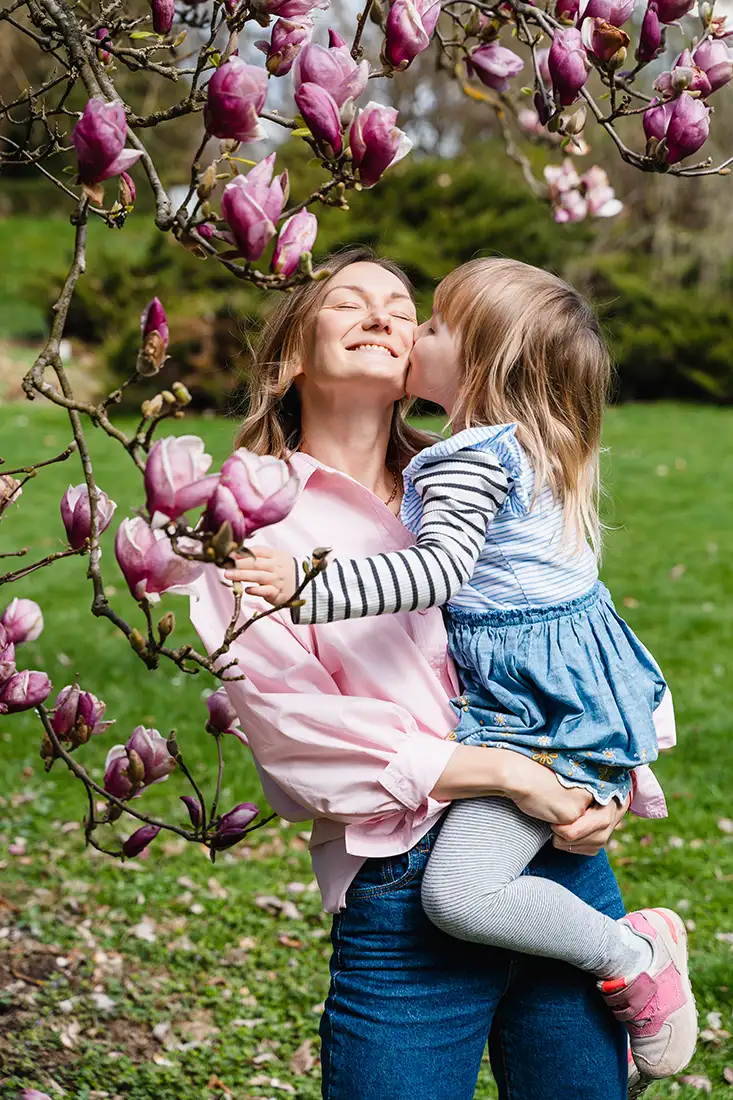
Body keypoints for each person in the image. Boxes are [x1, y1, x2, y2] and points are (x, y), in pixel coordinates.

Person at [190, 248, 672, 1100]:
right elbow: (295, 729)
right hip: (406, 884)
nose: (383, 314)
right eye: (349, 302)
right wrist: (512, 775)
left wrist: (594, 778)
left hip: (553, 862)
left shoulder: (468, 477)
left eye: (403, 306)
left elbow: (566, 628)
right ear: (292, 353)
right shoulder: (245, 517)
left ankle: (635, 964)